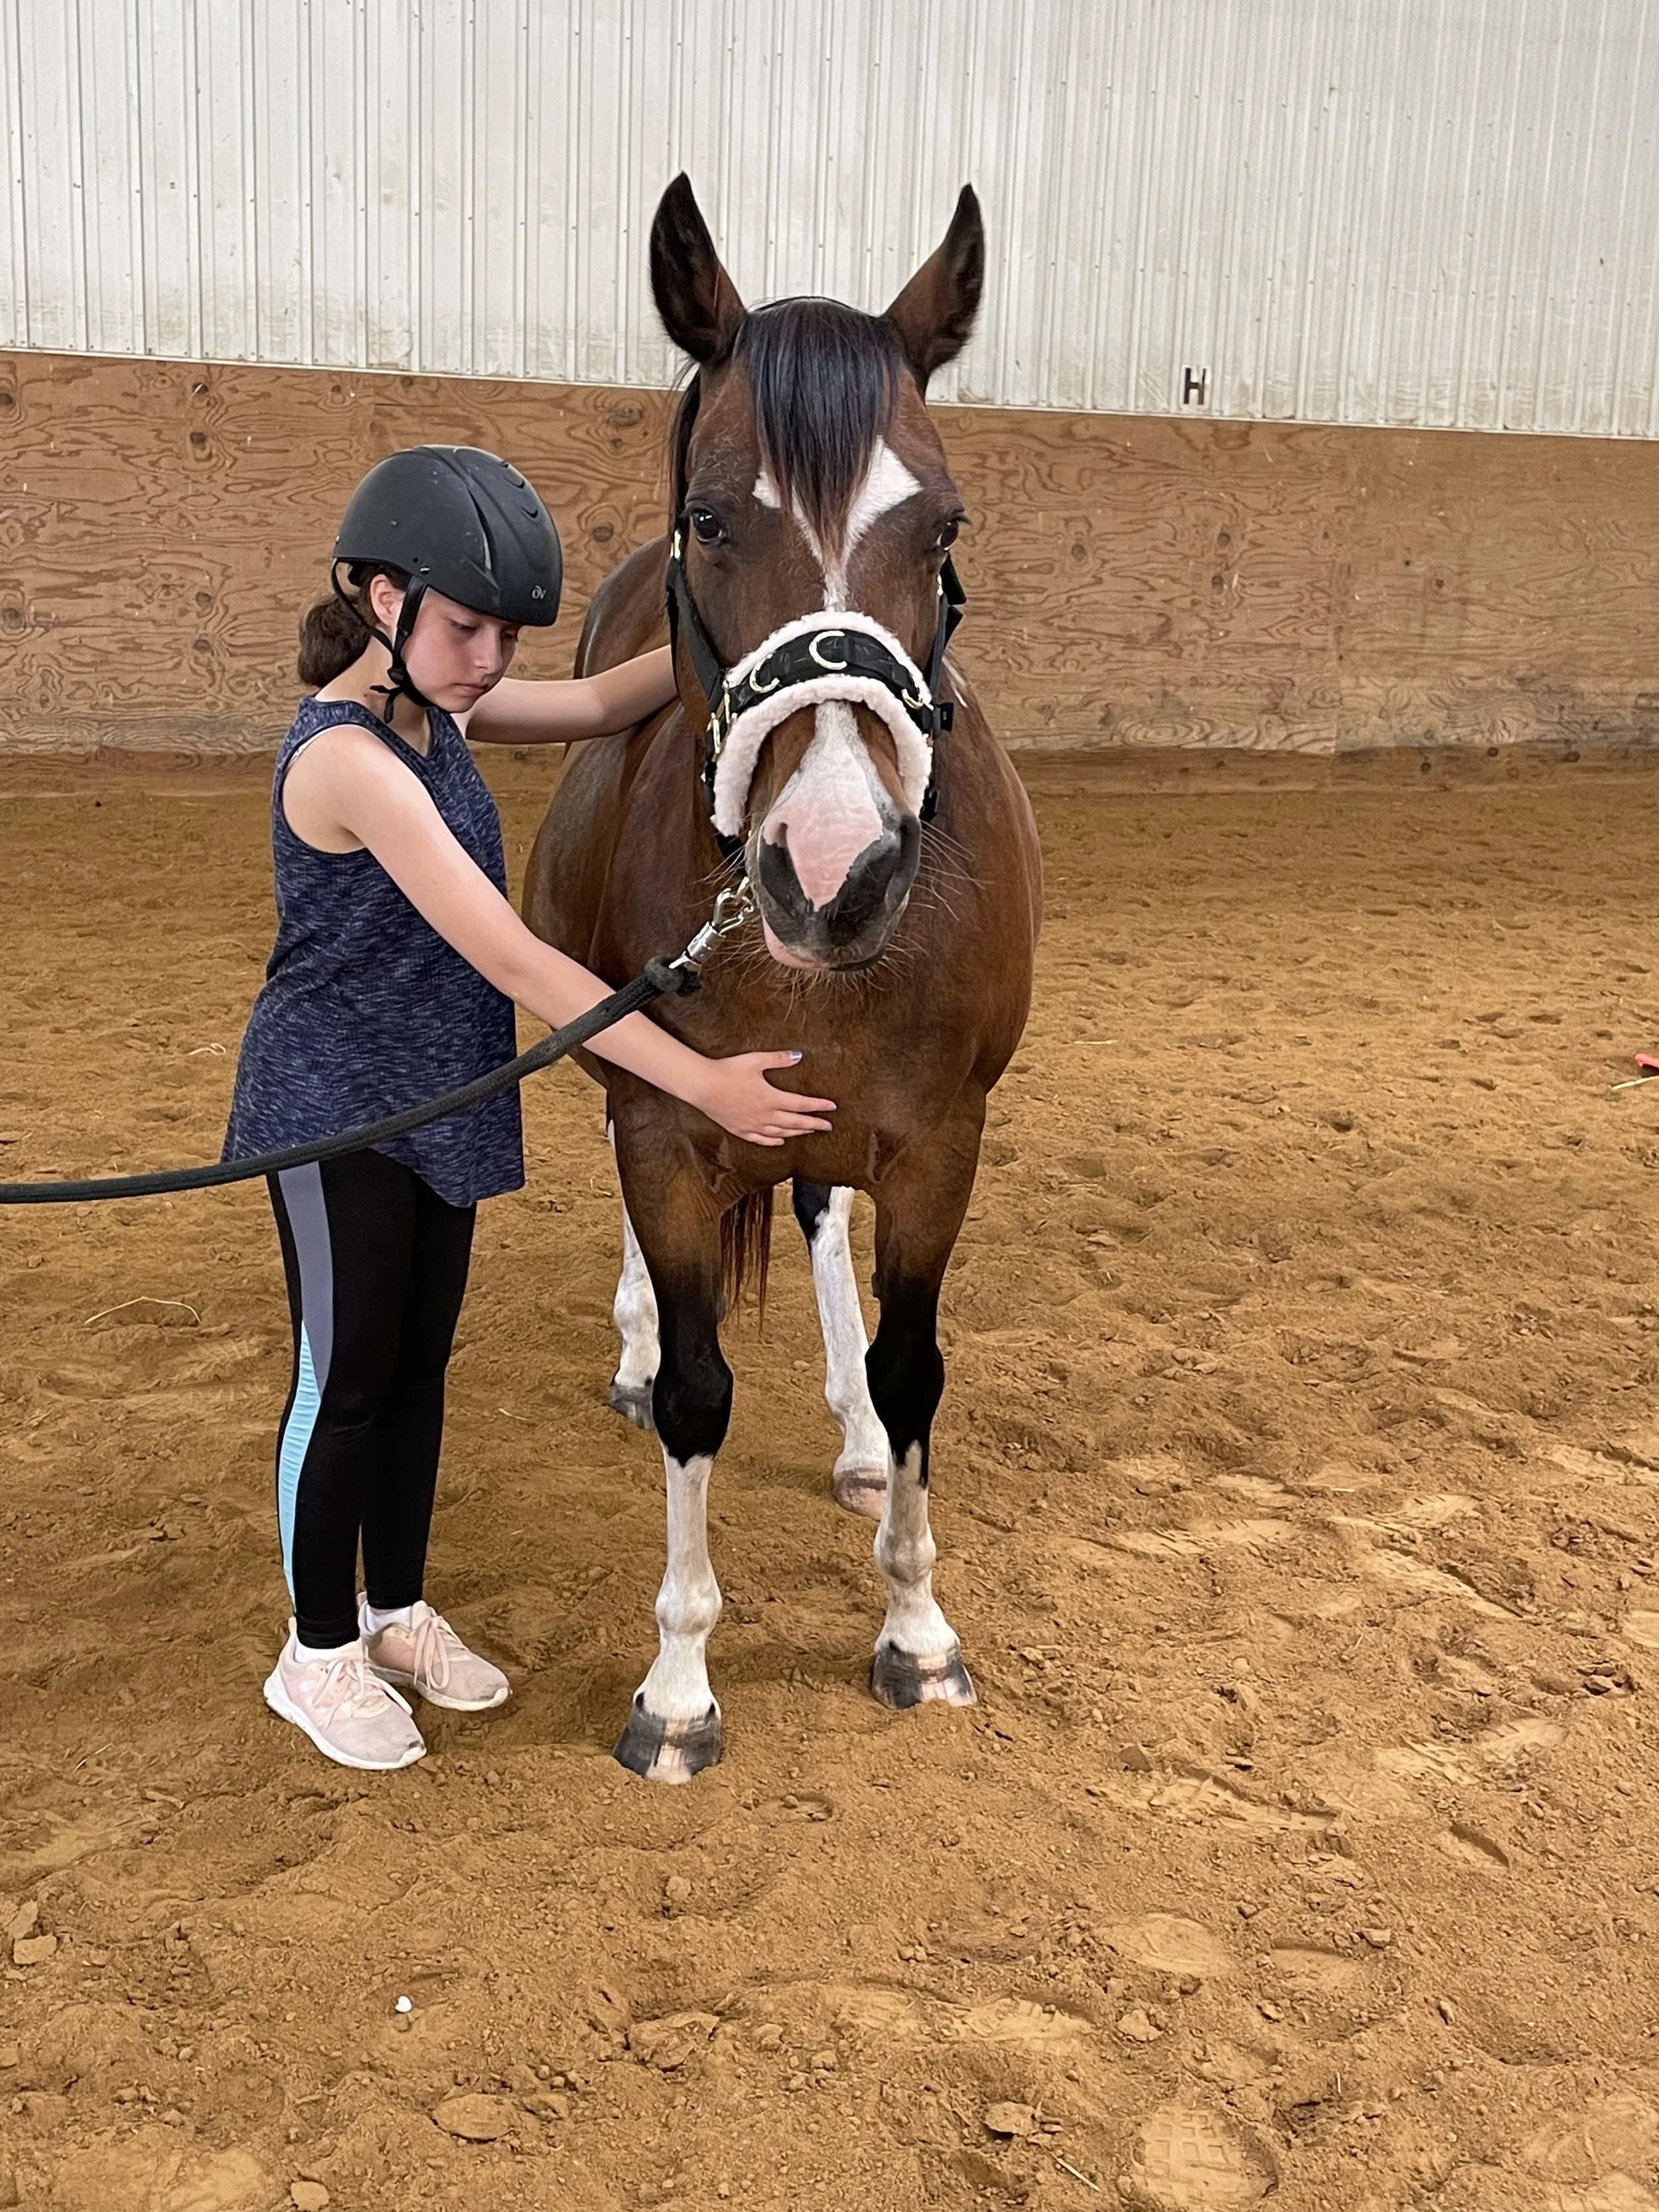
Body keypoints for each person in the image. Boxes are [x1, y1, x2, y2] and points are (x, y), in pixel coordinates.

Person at [223, 445, 833, 1773]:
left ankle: (394, 1613)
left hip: (440, 1096)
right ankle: (315, 1650)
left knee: (420, 1371)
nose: (489, 657)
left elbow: (615, 695)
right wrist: (698, 1077)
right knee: (348, 1382)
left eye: (505, 634)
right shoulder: (348, 760)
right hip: (334, 1112)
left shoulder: (438, 711)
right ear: (378, 597)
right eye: (464, 627)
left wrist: (746, 590)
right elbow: (511, 954)